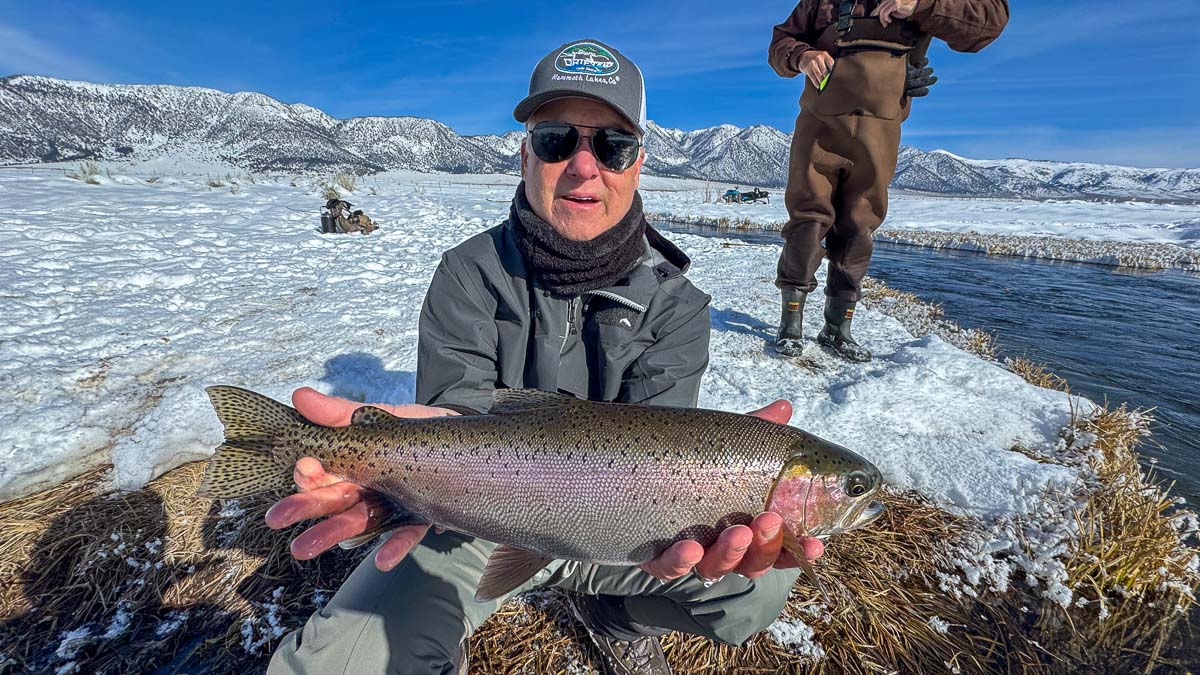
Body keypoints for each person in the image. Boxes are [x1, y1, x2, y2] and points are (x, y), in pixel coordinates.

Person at [264, 39, 823, 675]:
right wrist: (390, 471)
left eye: (611, 145)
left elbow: (665, 438)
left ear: (637, 163)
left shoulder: (679, 305)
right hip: (476, 515)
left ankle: (618, 614)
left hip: (628, 529)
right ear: (526, 154)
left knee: (763, 582)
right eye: (558, 139)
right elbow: (456, 415)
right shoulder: (467, 273)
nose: (585, 166)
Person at [770, 0, 1009, 361]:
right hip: (820, 125)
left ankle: (837, 328)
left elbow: (987, 25)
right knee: (809, 219)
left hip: (880, 131)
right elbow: (780, 43)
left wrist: (921, 5)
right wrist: (801, 56)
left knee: (859, 226)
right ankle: (790, 324)